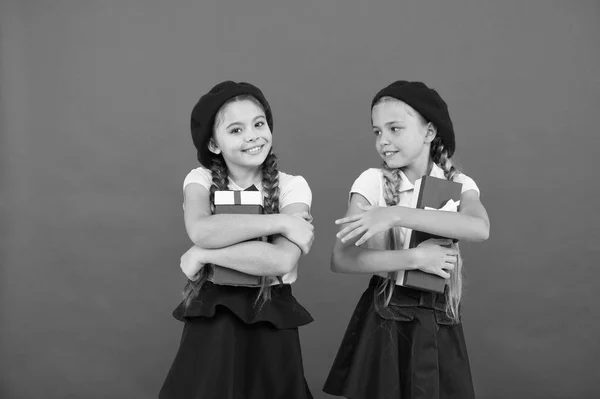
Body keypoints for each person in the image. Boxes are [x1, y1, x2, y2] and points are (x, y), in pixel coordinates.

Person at [323, 80, 490, 399]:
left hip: (440, 316)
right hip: (387, 315)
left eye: (395, 128)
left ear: (429, 132)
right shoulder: (371, 182)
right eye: (377, 132)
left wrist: (396, 214)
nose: (383, 141)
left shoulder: (458, 183)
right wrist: (414, 259)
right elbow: (341, 257)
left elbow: (479, 227)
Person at [160, 81, 315, 399]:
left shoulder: (292, 186)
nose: (253, 136)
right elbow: (201, 230)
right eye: (236, 130)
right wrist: (282, 222)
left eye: (259, 124)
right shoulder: (200, 180)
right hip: (213, 314)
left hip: (272, 312)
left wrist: (204, 255)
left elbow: (280, 260)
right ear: (214, 144)